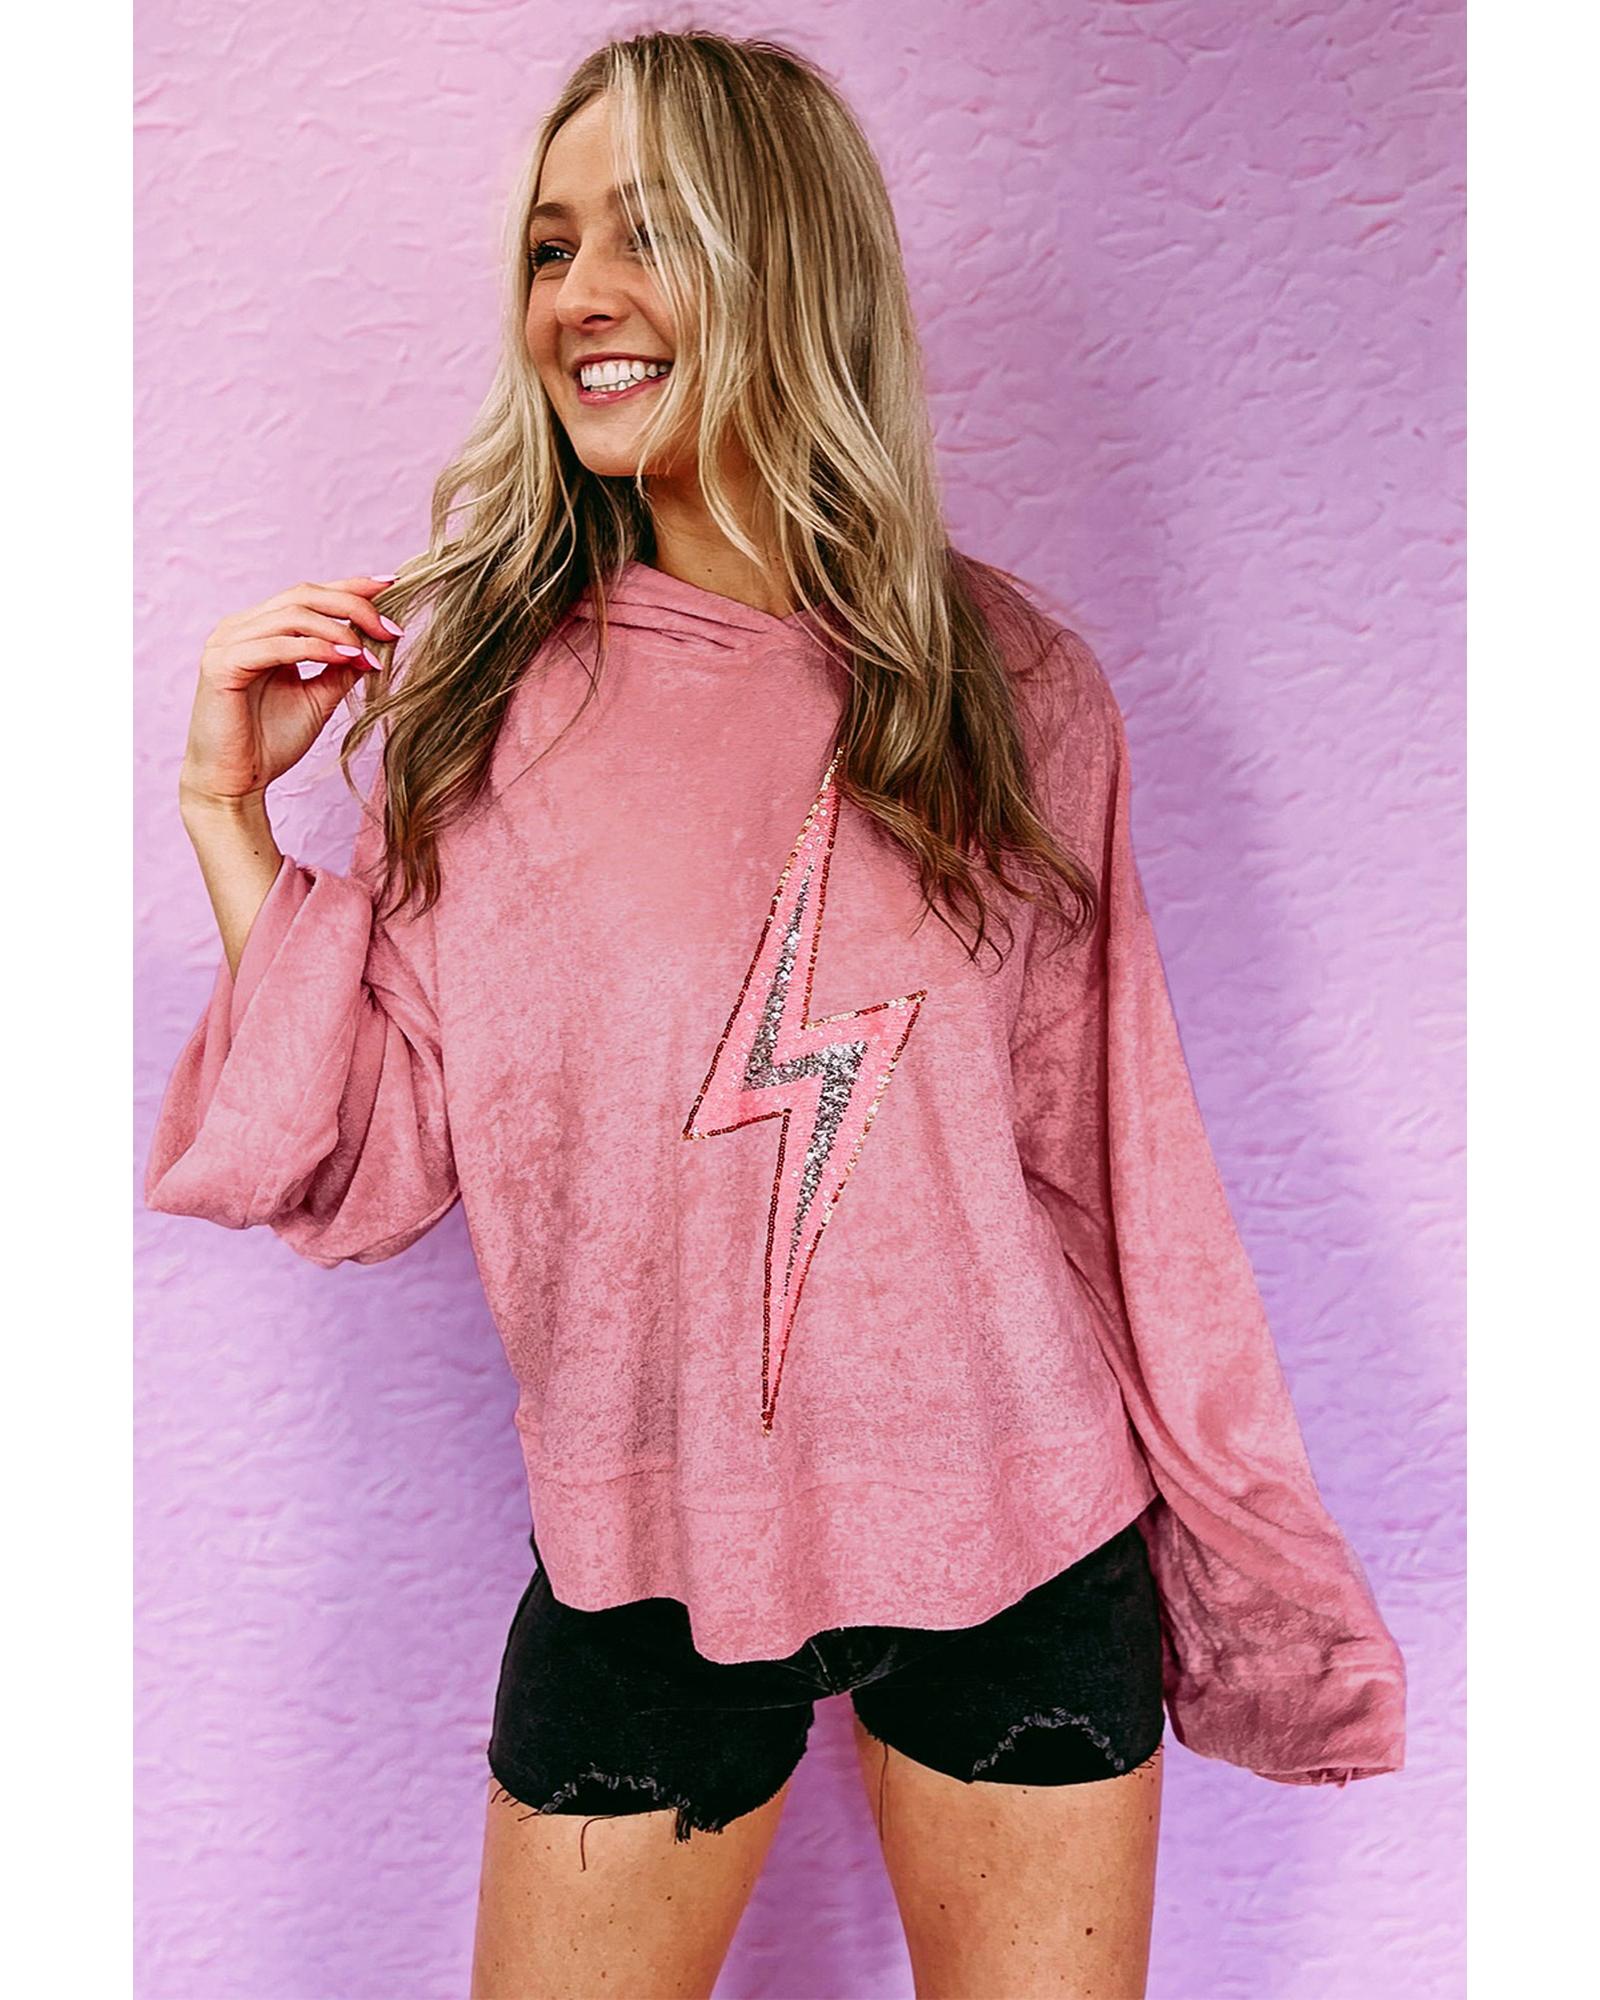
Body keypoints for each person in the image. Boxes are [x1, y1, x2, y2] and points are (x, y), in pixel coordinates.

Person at [144, 28, 1406, 2000]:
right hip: (641, 1563)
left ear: (788, 265)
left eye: (647, 233)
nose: (579, 295)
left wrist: (1259, 1588)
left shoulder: (1008, 685)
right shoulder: (482, 706)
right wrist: (229, 814)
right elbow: (367, 1161)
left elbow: (1119, 1168)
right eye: (550, 247)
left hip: (1021, 1546)